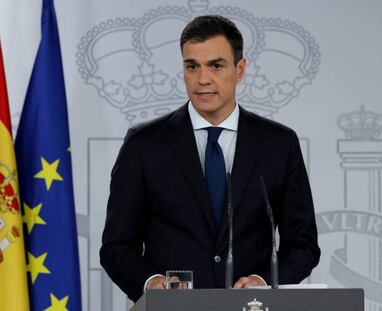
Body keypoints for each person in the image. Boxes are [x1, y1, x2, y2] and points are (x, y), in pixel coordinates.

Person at [100, 15, 320, 302]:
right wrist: (151, 283)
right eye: (192, 66)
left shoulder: (279, 144)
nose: (203, 79)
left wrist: (264, 282)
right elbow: (116, 246)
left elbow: (302, 245)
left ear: (240, 69)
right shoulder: (144, 144)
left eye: (216, 65)